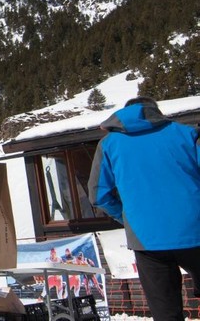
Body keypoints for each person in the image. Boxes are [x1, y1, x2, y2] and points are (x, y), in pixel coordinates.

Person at [89, 96, 200, 321]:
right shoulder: (187, 134)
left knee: (165, 312)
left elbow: (97, 195)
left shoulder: (109, 144)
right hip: (195, 231)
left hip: (146, 239)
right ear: (156, 112)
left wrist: (127, 217)